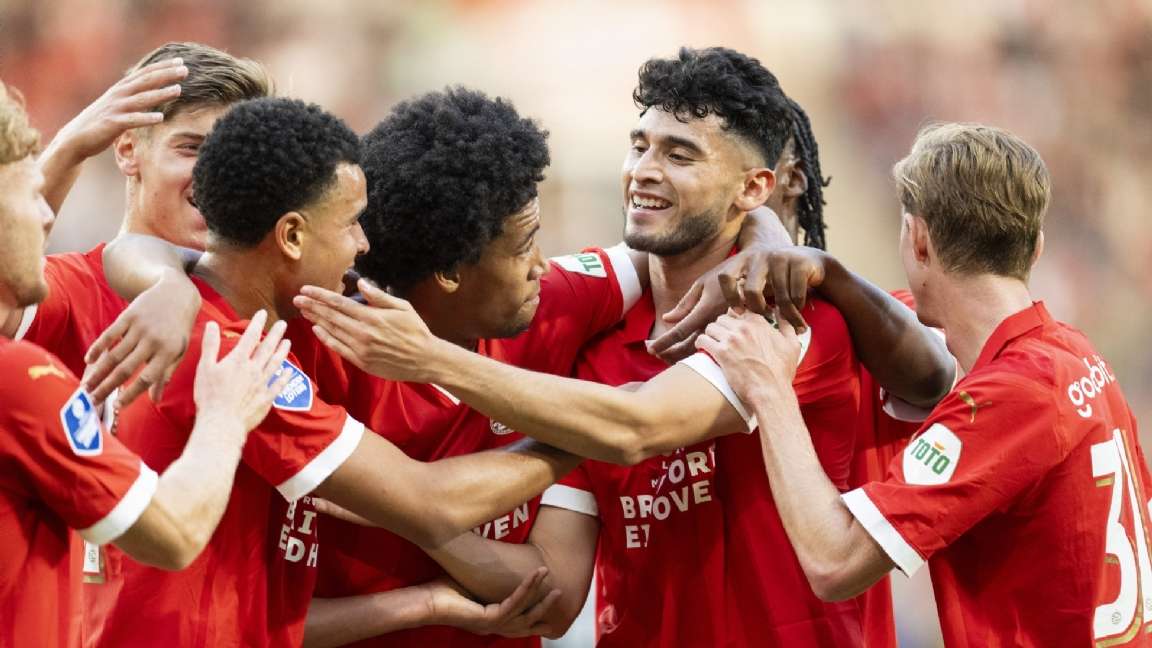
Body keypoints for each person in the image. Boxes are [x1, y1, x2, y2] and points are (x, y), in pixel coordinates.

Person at [296, 47, 952, 646]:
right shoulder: (587, 347)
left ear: (753, 186)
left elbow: (636, 426)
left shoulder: (788, 320)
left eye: (679, 155)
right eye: (639, 146)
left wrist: (771, 236)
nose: (644, 172)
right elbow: (556, 588)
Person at [83, 96, 579, 648]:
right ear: (292, 236)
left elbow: (263, 617)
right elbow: (431, 503)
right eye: (351, 223)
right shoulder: (231, 354)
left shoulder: (226, 315)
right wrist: (579, 437)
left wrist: (425, 604)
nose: (364, 244)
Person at [699, 122, 1151, 647]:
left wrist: (768, 388)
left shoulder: (1010, 396)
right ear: (1036, 248)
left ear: (917, 241)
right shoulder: (1078, 356)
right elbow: (890, 311)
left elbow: (834, 560)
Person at [0, 81, 293, 647]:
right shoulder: (45, 335)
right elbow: (173, 533)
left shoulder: (286, 306)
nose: (47, 215)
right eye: (192, 148)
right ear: (129, 150)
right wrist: (225, 417)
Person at [3, 43, 274, 406]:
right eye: (192, 148)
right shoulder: (75, 291)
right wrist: (70, 147)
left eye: (238, 157)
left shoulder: (279, 302)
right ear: (128, 150)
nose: (219, 175)